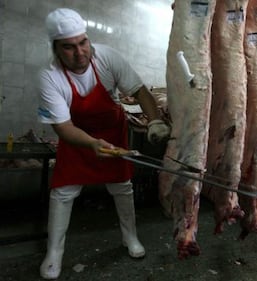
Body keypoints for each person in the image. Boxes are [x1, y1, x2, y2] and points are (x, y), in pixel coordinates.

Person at [37, 8, 170, 279]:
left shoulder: (106, 57)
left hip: (112, 132)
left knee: (122, 188)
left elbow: (139, 91)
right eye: (69, 47)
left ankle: (130, 238)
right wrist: (92, 144)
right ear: (56, 48)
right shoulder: (50, 76)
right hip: (77, 138)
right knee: (63, 193)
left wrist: (155, 120)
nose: (80, 52)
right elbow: (62, 126)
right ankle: (54, 253)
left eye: (83, 42)